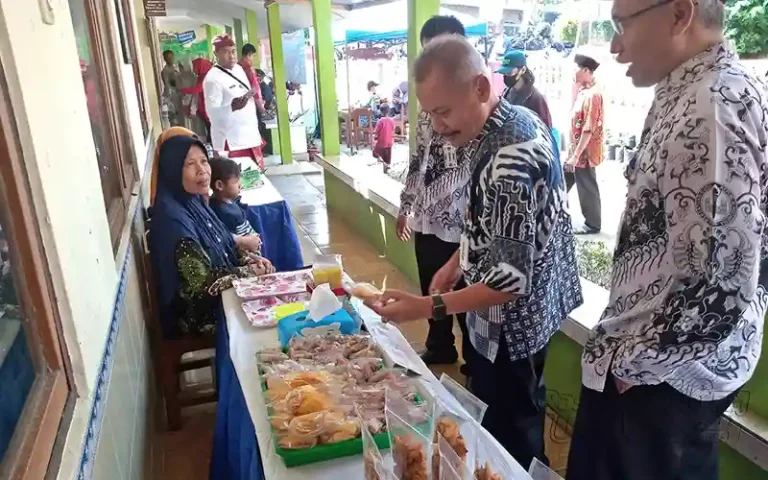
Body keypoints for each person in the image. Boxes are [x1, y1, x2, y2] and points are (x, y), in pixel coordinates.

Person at [566, 0, 768, 478]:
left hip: (665, 383)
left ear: (679, 13)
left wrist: (635, 367)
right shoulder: (693, 89)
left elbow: (724, 282)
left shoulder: (711, 105)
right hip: (660, 373)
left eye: (622, 24)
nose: (615, 45)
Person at [372, 36, 582, 469]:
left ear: (482, 89)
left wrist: (427, 306)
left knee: (511, 433)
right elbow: (488, 220)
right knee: (503, 413)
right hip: (508, 312)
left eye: (443, 111)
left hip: (514, 322)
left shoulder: (510, 152)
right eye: (430, 113)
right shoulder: (499, 125)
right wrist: (456, 262)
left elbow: (507, 282)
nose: (439, 126)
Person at [396, 15, 475, 369]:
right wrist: (406, 205)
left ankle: (475, 359)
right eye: (429, 49)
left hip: (464, 221)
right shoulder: (428, 101)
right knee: (432, 284)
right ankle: (440, 346)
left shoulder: (477, 101)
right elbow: (419, 157)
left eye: (442, 47)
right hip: (428, 215)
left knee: (465, 294)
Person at [148, 135, 273, 339]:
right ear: (172, 169)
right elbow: (202, 287)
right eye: (190, 163)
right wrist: (248, 272)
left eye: (204, 161)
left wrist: (250, 259)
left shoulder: (194, 202)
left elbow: (224, 243)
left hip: (218, 296)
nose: (202, 170)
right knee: (269, 325)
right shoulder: (174, 223)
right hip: (197, 316)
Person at [203, 34, 264, 171]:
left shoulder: (239, 69)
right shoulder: (212, 79)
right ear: (216, 54)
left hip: (250, 137)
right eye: (225, 52)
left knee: (256, 180)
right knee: (235, 182)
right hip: (232, 143)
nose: (231, 56)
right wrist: (231, 107)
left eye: (233, 51)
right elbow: (211, 113)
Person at [565, 53, 604, 234]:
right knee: (562, 181)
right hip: (576, 150)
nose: (573, 72)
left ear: (586, 70)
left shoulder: (593, 95)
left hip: (584, 152)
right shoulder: (583, 90)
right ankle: (550, 211)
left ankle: (593, 224)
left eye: (576, 69)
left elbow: (588, 129)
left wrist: (576, 155)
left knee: (587, 185)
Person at [208, 156, 262, 252]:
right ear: (219, 185)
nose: (240, 185)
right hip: (247, 251)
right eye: (236, 182)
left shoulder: (224, 200)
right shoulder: (224, 213)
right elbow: (232, 243)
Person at [496, 49, 552, 128]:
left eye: (509, 72)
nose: (505, 75)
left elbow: (546, 128)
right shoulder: (506, 93)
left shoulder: (535, 98)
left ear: (522, 70)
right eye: (503, 72)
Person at [179, 58, 213, 141]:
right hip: (202, 106)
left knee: (210, 130)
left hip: (208, 108)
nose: (194, 69)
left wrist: (182, 90)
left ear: (201, 67)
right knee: (207, 128)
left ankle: (211, 147)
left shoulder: (208, 77)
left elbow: (197, 89)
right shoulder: (201, 76)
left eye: (196, 67)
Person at [238, 43, 265, 116]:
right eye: (253, 55)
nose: (253, 58)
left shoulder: (236, 66)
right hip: (250, 104)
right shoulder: (249, 69)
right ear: (249, 54)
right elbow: (254, 89)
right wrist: (261, 107)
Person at [161, 50, 183, 127]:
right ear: (165, 59)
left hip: (178, 95)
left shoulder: (175, 67)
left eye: (171, 57)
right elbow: (167, 85)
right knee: (174, 118)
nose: (171, 59)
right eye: (168, 58)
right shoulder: (165, 71)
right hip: (172, 96)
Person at [373, 104, 395, 171]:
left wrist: (375, 137)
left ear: (380, 111)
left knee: (375, 153)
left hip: (381, 143)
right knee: (387, 158)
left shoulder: (380, 121)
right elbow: (392, 130)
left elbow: (376, 132)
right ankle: (386, 168)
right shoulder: (392, 120)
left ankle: (382, 162)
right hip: (389, 142)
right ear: (389, 111)